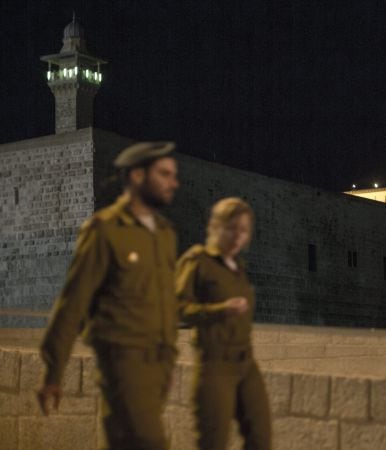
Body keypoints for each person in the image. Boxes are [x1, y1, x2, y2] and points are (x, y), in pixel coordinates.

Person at [37, 141, 180, 450]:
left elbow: (166, 304)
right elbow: (73, 303)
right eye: (165, 174)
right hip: (120, 366)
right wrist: (54, 371)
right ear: (138, 176)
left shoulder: (165, 234)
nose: (174, 183)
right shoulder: (104, 231)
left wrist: (167, 361)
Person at [175, 197, 272, 450]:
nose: (238, 236)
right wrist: (220, 310)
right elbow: (178, 308)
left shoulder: (238, 267)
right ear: (217, 226)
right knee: (213, 442)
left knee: (261, 437)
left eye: (244, 230)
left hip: (246, 362)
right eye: (233, 228)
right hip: (215, 364)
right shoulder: (199, 262)